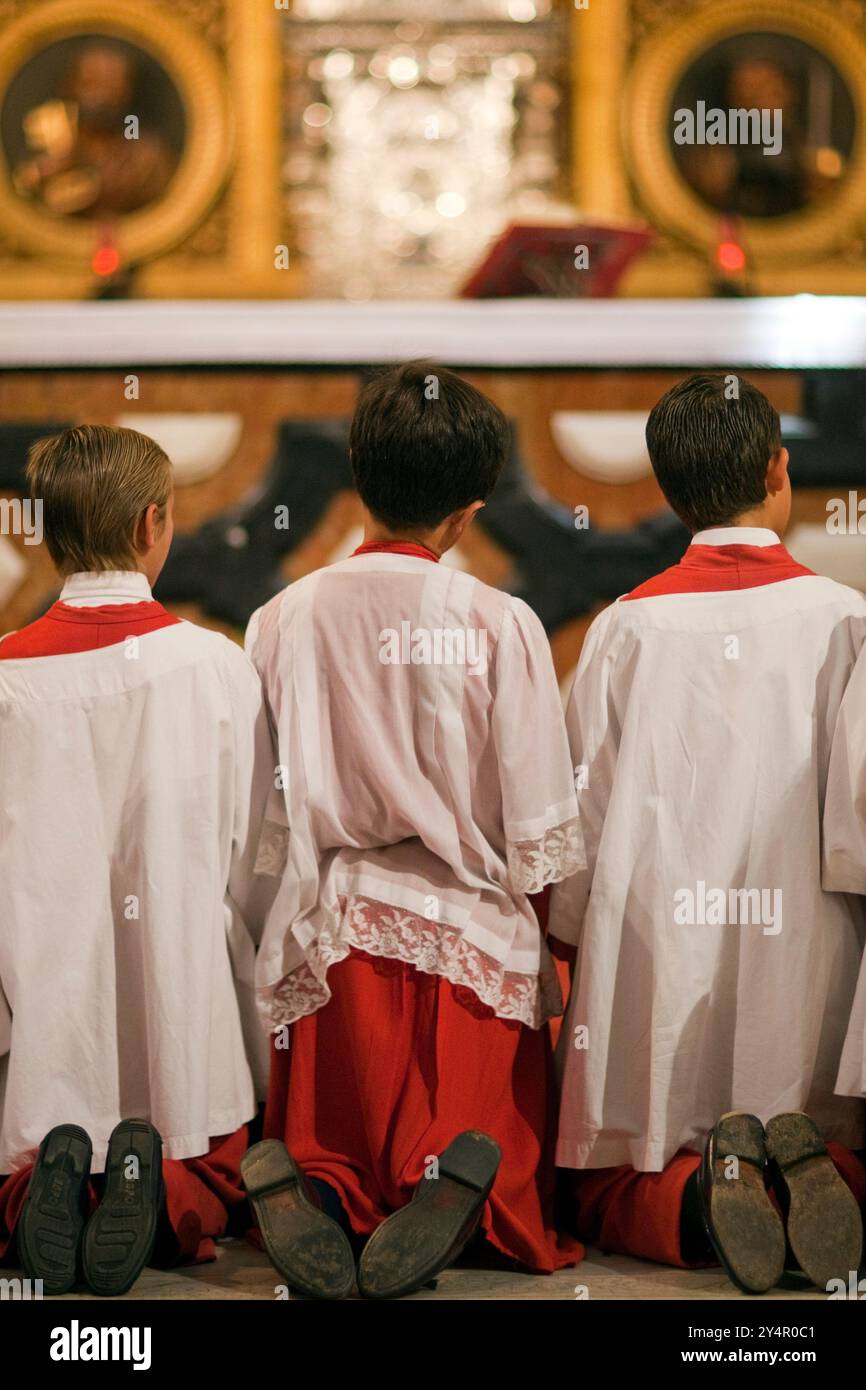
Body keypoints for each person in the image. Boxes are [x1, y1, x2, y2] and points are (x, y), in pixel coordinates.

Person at [242, 361, 584, 1299]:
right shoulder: (498, 620)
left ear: (357, 471)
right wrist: (554, 953)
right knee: (487, 1163)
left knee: (329, 1154)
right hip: (470, 942)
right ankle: (457, 1186)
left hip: (338, 936)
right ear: (471, 512)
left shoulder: (281, 618)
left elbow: (263, 822)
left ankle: (322, 1187)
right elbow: (541, 827)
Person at [550, 373, 866, 1294]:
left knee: (619, 1178)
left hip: (663, 940)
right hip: (812, 931)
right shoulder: (850, 621)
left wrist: (570, 936)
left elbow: (583, 814)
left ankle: (701, 1202)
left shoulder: (624, 630)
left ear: (668, 492)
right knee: (830, 1125)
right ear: (780, 471)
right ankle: (809, 1181)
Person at [0, 425, 272, 1295]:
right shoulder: (215, 668)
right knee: (205, 1158)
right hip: (177, 999)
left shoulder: (4, 679)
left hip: (39, 1006)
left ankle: (44, 1175)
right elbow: (257, 859)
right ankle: (151, 1191)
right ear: (155, 522)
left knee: (30, 1110)